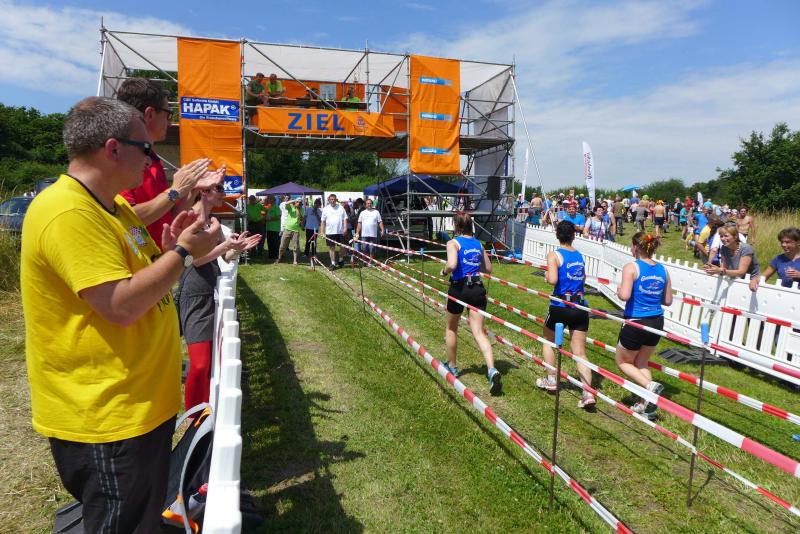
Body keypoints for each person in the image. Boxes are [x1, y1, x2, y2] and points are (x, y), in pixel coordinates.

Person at [21, 97, 220, 532]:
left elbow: (139, 278)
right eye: (145, 149)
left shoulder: (111, 208)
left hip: (132, 408)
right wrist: (183, 253)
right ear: (113, 149)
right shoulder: (69, 212)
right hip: (108, 417)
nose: (152, 161)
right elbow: (121, 304)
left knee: (140, 519)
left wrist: (169, 250)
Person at [178, 183, 260, 411]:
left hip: (209, 291)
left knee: (207, 362)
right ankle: (195, 417)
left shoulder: (213, 221)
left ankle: (205, 413)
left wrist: (237, 248)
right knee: (200, 363)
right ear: (204, 192)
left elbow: (224, 256)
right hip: (194, 293)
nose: (225, 194)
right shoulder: (189, 218)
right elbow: (195, 260)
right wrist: (225, 246)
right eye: (220, 189)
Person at [117, 77, 223, 251]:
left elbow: (168, 216)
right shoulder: (120, 158)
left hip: (157, 259)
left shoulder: (153, 159)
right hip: (137, 263)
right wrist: (175, 191)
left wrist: (192, 189)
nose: (170, 122)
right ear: (150, 114)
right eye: (168, 114)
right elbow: (125, 219)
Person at [440, 212, 502, 395]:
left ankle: (452, 366)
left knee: (451, 328)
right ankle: (492, 369)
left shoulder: (453, 243)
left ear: (457, 226)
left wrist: (444, 271)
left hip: (459, 288)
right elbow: (488, 268)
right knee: (479, 332)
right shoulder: (478, 244)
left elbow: (452, 264)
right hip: (477, 288)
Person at [536, 221, 595, 408]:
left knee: (547, 340)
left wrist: (546, 276)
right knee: (580, 352)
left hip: (560, 305)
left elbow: (553, 279)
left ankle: (552, 379)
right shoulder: (579, 256)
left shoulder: (554, 255)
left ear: (557, 235)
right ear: (573, 236)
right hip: (579, 306)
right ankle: (588, 393)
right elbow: (582, 279)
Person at [615, 232, 672, 420]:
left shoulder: (631, 267)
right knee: (641, 362)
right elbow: (668, 300)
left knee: (623, 362)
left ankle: (650, 387)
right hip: (657, 321)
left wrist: (618, 290)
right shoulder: (663, 270)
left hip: (637, 321)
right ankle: (646, 405)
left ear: (636, 247)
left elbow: (624, 295)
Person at [320, 193, 347, 269]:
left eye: (334, 199)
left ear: (336, 200)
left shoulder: (341, 207)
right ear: (329, 200)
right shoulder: (325, 209)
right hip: (330, 232)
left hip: (340, 231)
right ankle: (333, 263)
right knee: (331, 247)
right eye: (331, 199)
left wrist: (345, 228)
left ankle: (340, 259)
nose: (333, 201)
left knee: (342, 246)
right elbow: (323, 221)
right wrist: (322, 232)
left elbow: (345, 218)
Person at [276, 197, 302, 265]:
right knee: (282, 245)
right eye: (298, 202)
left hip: (296, 230)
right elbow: (286, 203)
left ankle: (295, 261)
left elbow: (299, 217)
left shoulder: (301, 209)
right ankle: (279, 258)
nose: (298, 203)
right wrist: (294, 200)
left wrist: (297, 208)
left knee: (295, 247)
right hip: (287, 229)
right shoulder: (290, 207)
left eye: (300, 202)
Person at [264, 195, 281, 259]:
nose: (268, 200)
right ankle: (270, 255)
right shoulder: (268, 207)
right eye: (268, 199)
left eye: (269, 199)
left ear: (273, 200)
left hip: (275, 228)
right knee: (270, 242)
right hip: (268, 228)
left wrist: (270, 218)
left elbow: (278, 217)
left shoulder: (276, 207)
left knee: (275, 243)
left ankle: (276, 255)